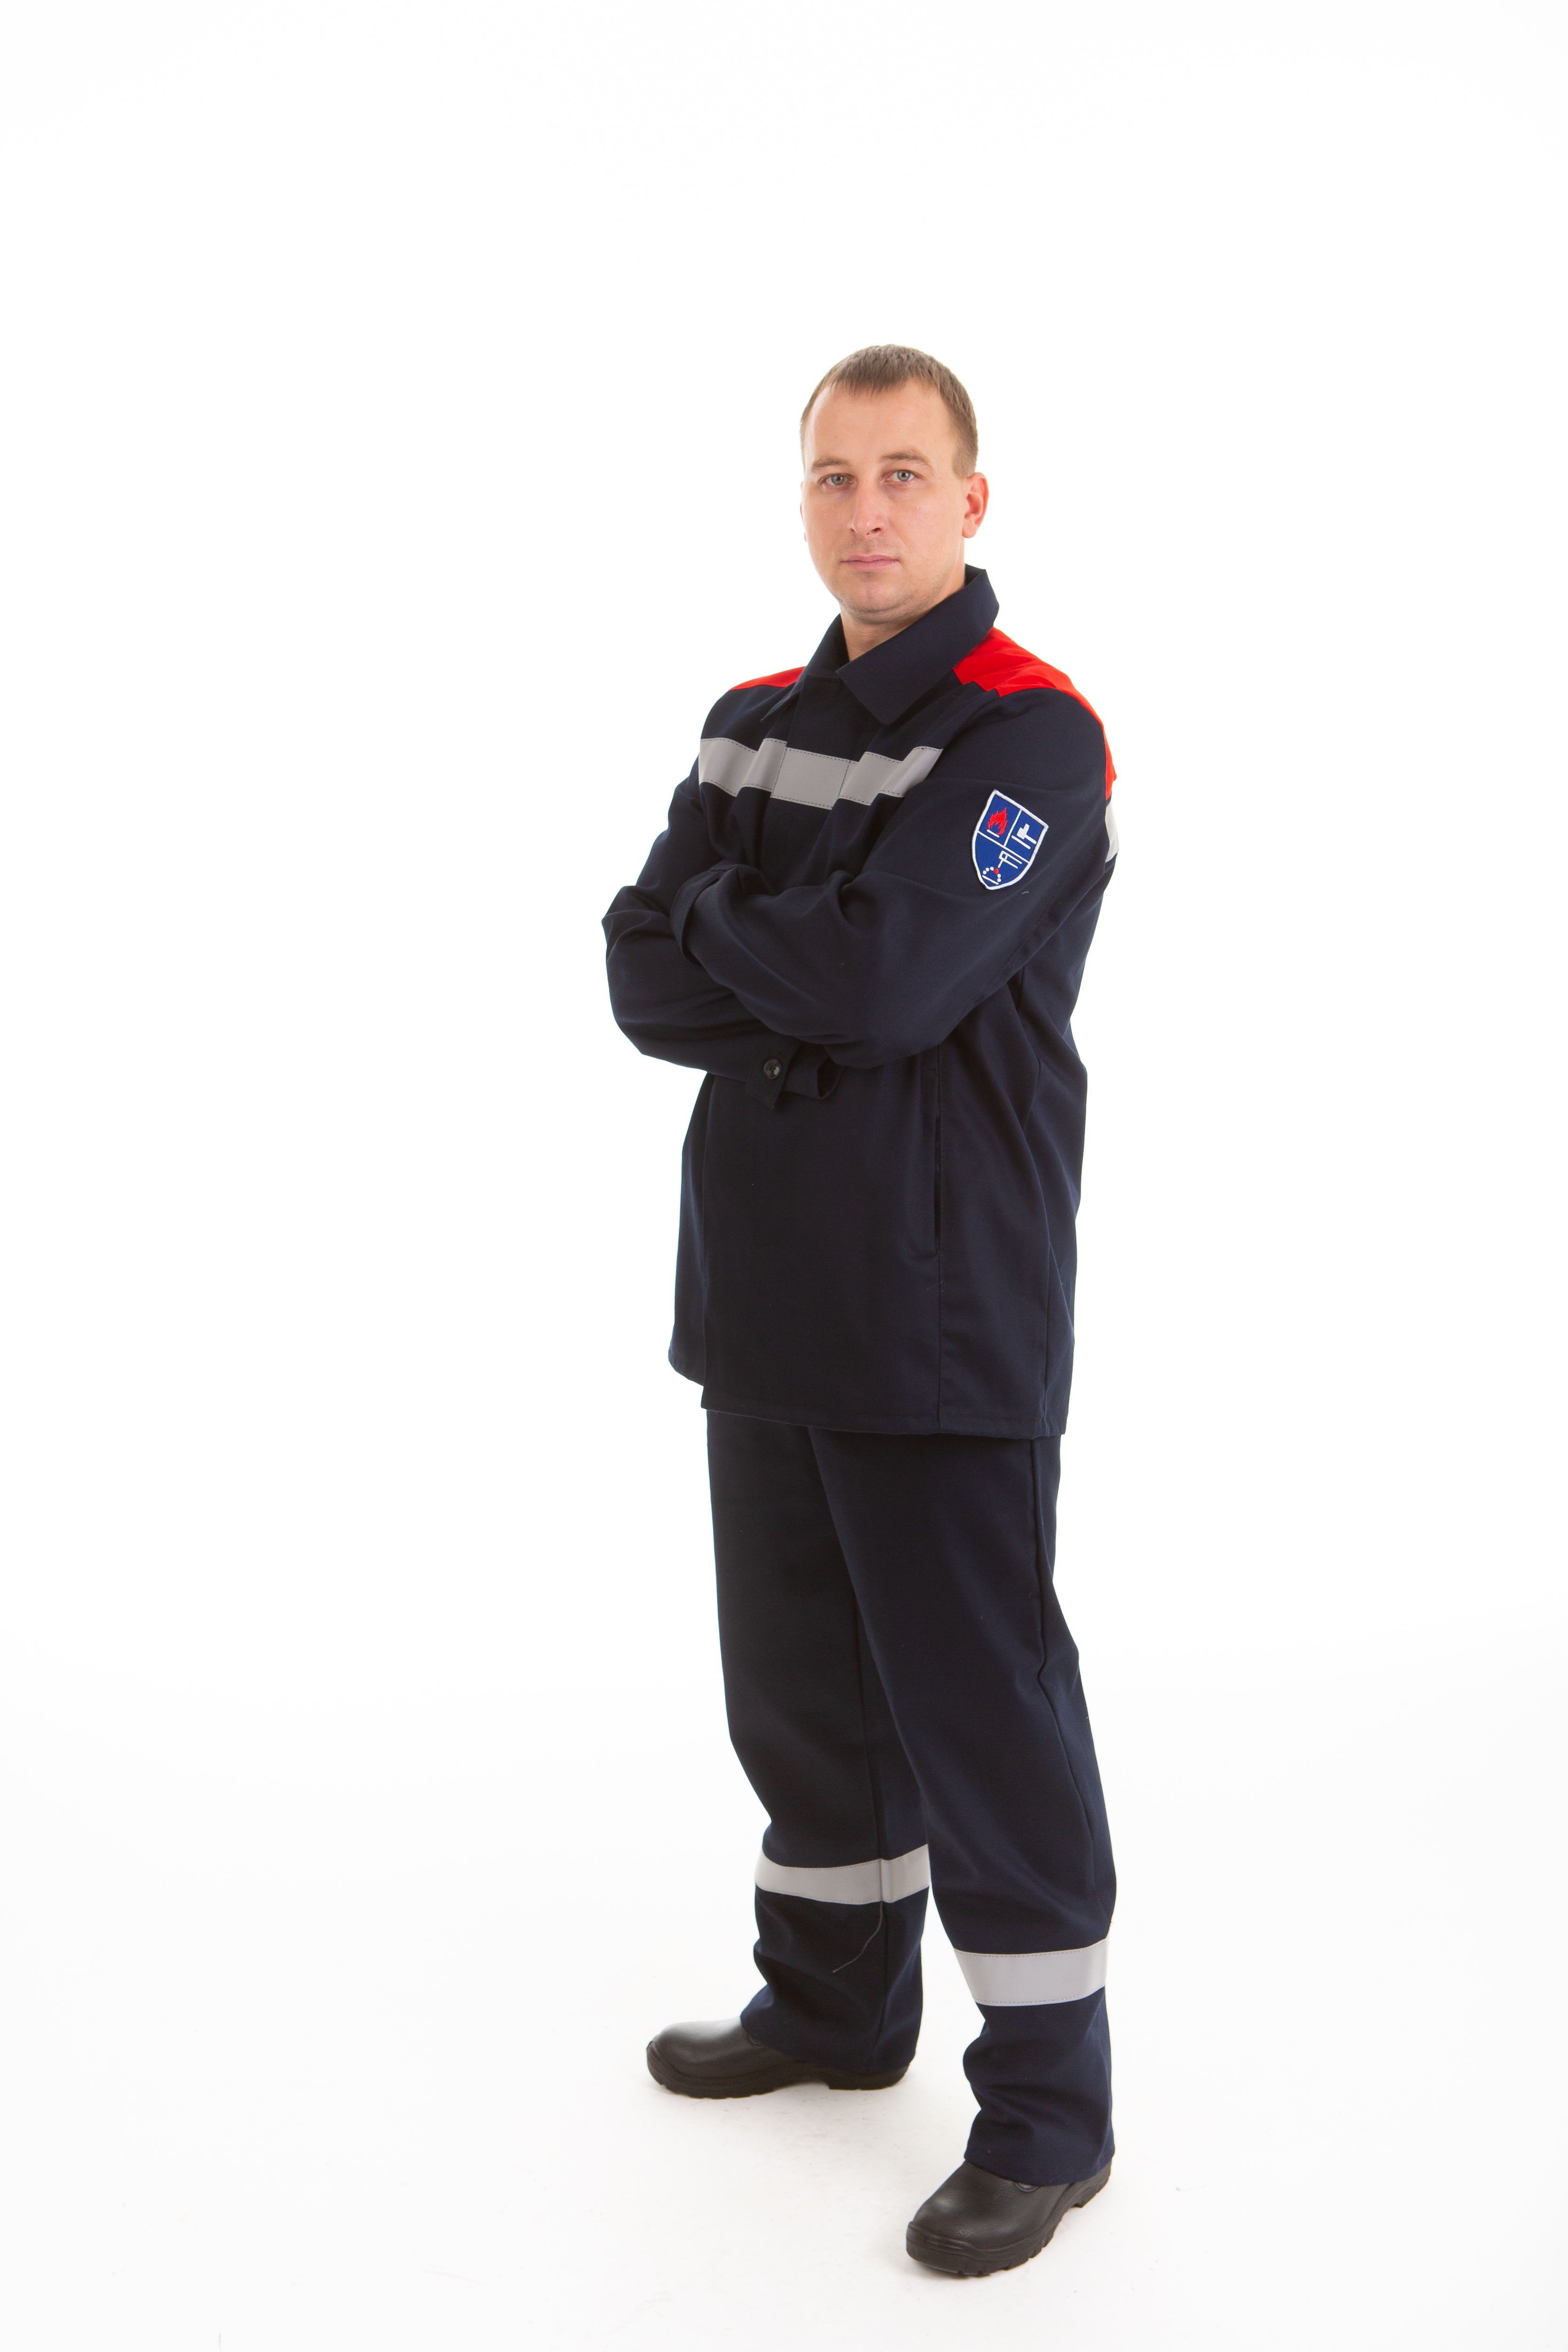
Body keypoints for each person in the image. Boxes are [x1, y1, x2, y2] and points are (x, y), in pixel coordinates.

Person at [602, 345, 1120, 2279]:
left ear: (971, 501)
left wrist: (742, 933)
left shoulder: (1033, 737)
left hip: (940, 1302)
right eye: (836, 475)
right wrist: (784, 947)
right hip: (763, 1289)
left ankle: (1051, 2114)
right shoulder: (749, 721)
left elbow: (892, 984)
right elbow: (635, 976)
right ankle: (832, 2001)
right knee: (802, 1694)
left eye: (906, 474)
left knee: (980, 1707)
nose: (868, 509)